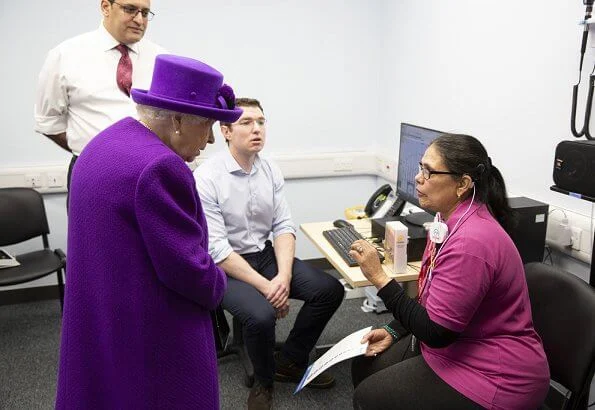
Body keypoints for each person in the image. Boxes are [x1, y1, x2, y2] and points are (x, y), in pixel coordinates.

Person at [55, 54, 242, 409]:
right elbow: (189, 272)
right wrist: (219, 280)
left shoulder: (102, 144)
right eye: (208, 125)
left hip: (101, 315)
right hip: (150, 333)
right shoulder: (161, 167)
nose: (212, 140)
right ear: (176, 120)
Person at [349, 134, 550, 410]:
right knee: (363, 365)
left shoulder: (472, 242)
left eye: (428, 172)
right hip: (458, 346)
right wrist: (394, 330)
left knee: (367, 398)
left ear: (463, 184)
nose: (418, 178)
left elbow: (436, 332)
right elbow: (431, 301)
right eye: (420, 168)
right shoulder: (444, 222)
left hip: (495, 374)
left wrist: (380, 279)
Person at [194, 98, 345, 410]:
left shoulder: (270, 169)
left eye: (261, 122)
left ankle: (290, 359)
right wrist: (268, 289)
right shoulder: (207, 177)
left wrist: (283, 278)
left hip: (264, 256)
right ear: (225, 130)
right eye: (246, 122)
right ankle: (264, 382)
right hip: (224, 266)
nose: (257, 129)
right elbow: (217, 249)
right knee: (261, 315)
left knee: (329, 290)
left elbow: (283, 225)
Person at [34, 0, 166, 190]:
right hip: (91, 174)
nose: (139, 20)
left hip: (150, 173)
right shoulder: (66, 55)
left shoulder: (161, 59)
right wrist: (95, 153)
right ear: (106, 7)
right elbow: (48, 122)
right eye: (130, 10)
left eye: (145, 13)